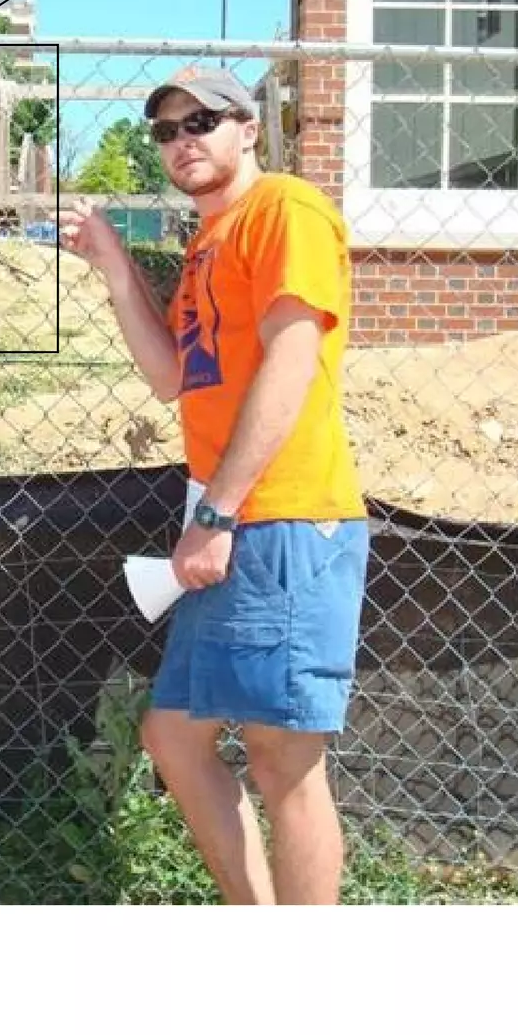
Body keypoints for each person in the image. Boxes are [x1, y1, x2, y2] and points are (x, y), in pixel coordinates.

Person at [56, 67, 369, 905]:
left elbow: (292, 362)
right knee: (173, 740)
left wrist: (217, 512)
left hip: (282, 519)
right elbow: (171, 379)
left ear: (249, 129)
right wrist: (117, 269)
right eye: (164, 130)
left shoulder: (286, 212)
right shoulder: (210, 242)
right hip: (230, 522)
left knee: (283, 762)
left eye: (202, 120)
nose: (181, 138)